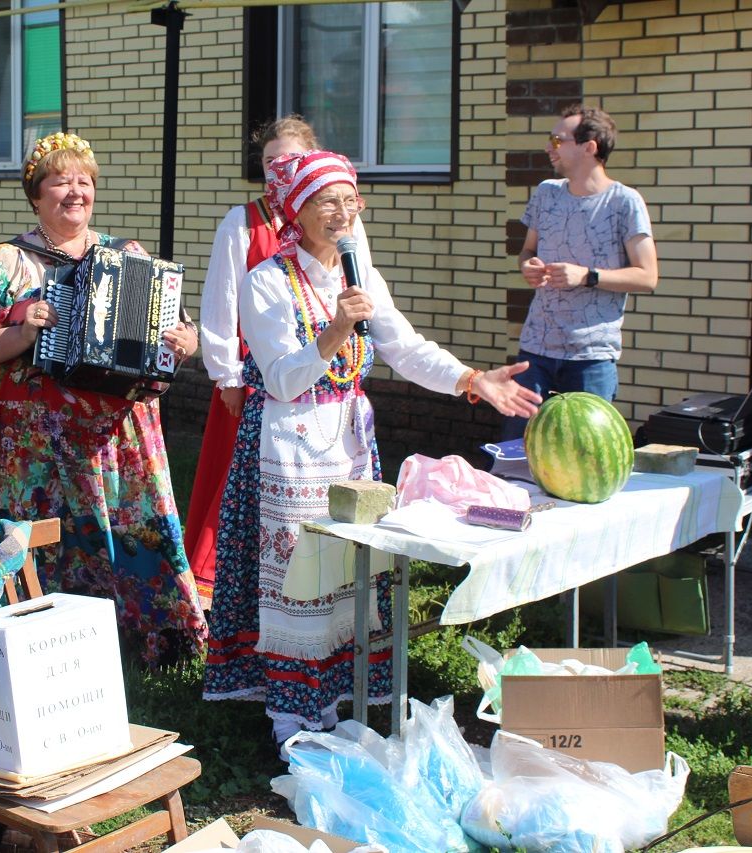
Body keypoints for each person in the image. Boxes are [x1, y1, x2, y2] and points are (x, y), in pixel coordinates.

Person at [201, 150, 541, 750]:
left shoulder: (360, 275)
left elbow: (405, 348)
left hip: (350, 445)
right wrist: (334, 331)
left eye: (349, 199)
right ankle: (295, 720)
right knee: (300, 579)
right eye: (326, 201)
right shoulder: (267, 281)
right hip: (290, 449)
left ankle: (340, 695)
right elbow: (281, 380)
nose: (342, 212)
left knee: (350, 575)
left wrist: (470, 379)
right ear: (296, 212)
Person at [0, 131, 208, 667]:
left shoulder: (127, 257)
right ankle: (32, 646)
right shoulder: (3, 262)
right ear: (36, 195)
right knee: (34, 535)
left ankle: (146, 642)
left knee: (125, 528)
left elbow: (181, 331)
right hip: (31, 441)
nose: (75, 192)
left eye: (84, 182)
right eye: (60, 182)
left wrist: (185, 343)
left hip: (114, 433)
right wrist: (22, 334)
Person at [185, 116, 372, 610]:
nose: (278, 170)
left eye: (289, 161)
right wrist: (225, 372)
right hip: (266, 374)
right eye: (271, 162)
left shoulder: (340, 222)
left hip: (326, 389)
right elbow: (221, 300)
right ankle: (223, 580)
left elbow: (365, 292)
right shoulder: (243, 221)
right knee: (241, 482)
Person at [501, 104, 659, 440]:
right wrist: (528, 265)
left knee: (586, 458)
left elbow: (647, 276)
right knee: (515, 451)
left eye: (558, 140)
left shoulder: (624, 202)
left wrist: (587, 275)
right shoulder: (547, 193)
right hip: (536, 350)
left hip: (591, 358)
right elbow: (527, 251)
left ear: (590, 147)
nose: (549, 147)